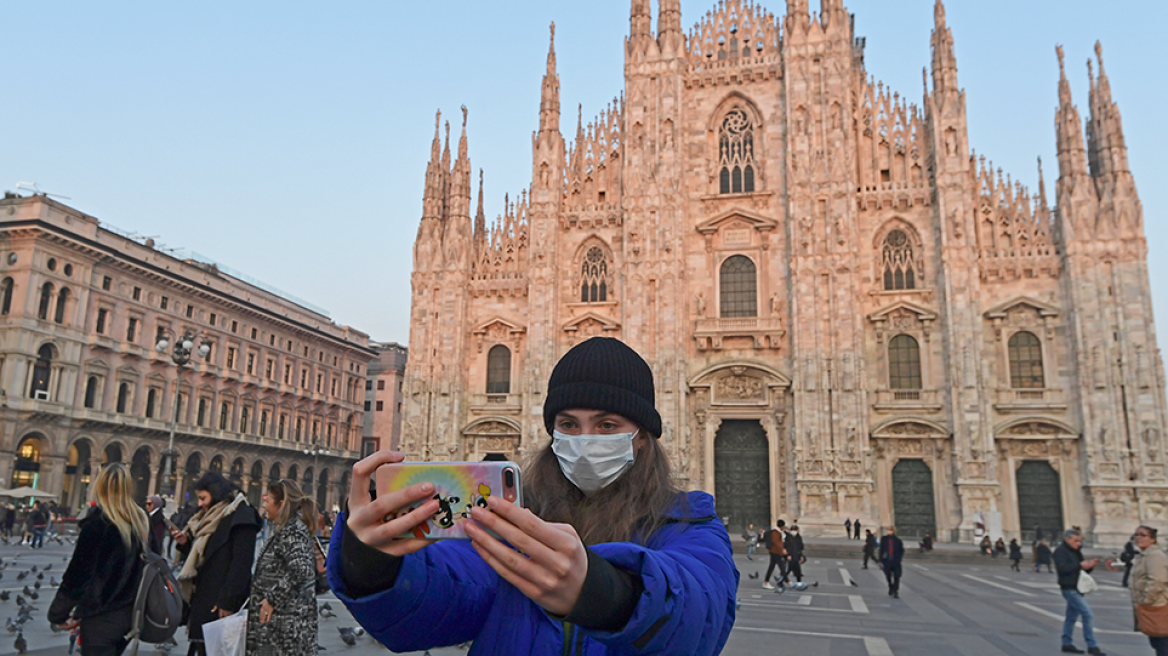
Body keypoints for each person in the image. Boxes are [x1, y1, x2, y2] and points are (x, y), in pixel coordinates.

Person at [327, 337, 738, 655]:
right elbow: (443, 594)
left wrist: (606, 594)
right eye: (569, 425)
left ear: (643, 439)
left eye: (608, 424)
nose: (585, 439)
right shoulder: (515, 523)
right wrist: (369, 562)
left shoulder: (688, 524)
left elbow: (700, 612)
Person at [48, 463, 147, 656]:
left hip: (100, 615)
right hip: (130, 616)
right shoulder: (140, 525)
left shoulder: (97, 525)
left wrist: (57, 613)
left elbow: (77, 575)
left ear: (99, 488)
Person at [172, 471, 262, 656]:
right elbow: (206, 556)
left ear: (215, 493)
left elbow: (241, 564)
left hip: (222, 603)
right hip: (204, 599)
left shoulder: (241, 516)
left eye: (203, 498)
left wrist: (227, 601)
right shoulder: (209, 518)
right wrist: (185, 544)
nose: (200, 504)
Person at [246, 480, 318, 656]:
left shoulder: (292, 531)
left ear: (281, 504)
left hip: (285, 627)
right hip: (280, 623)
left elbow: (301, 569)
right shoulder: (286, 529)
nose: (264, 504)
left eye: (267, 500)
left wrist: (272, 598)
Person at [1054, 528, 1104, 655]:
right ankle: (1092, 646)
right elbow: (1063, 569)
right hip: (1069, 588)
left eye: (1079, 541)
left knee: (1071, 617)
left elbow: (1081, 570)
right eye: (1076, 541)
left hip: (1078, 587)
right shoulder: (1060, 551)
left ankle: (1066, 643)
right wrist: (1080, 565)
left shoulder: (1076, 552)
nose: (1079, 544)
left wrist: (1089, 566)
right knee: (1087, 614)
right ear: (1067, 539)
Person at [1129, 525, 1168, 656]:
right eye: (1136, 535)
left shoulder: (1155, 556)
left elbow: (1157, 581)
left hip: (1157, 606)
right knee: (1157, 642)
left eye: (1142, 535)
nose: (1138, 538)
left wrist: (1146, 600)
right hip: (1151, 606)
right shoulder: (1144, 555)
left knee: (1162, 643)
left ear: (1152, 539)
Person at [879, 526, 904, 598]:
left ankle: (896, 591)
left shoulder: (898, 540)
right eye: (887, 530)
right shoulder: (884, 539)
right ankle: (890, 586)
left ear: (893, 531)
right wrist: (880, 560)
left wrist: (899, 558)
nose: (887, 531)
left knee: (897, 576)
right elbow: (881, 550)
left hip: (895, 561)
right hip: (887, 560)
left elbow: (901, 550)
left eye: (889, 530)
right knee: (888, 575)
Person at [764, 519, 788, 589]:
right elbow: (776, 542)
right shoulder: (776, 532)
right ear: (782, 526)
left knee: (772, 567)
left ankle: (766, 581)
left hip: (775, 551)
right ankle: (788, 582)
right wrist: (782, 549)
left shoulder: (778, 532)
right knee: (781, 567)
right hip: (775, 552)